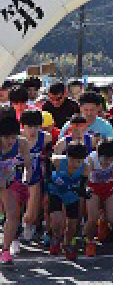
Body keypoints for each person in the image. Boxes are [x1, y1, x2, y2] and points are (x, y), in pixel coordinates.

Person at [46, 141, 89, 261]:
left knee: (72, 225)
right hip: (56, 192)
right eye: (73, 160)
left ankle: (67, 244)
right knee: (57, 221)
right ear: (67, 157)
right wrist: (49, 178)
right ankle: (55, 238)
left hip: (71, 195)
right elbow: (47, 159)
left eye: (79, 161)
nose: (76, 164)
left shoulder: (85, 167)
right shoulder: (58, 161)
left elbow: (82, 186)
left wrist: (84, 191)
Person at [0, 110, 31, 264]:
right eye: (6, 137)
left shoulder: (22, 143)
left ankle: (5, 250)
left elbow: (28, 166)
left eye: (13, 137)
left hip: (8, 180)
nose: (10, 141)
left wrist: (26, 182)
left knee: (13, 214)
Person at [18, 110, 52, 242]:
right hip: (16, 175)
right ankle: (14, 232)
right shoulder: (16, 138)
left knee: (31, 215)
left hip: (34, 175)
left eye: (36, 127)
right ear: (23, 126)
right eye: (29, 127)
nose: (32, 131)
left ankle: (27, 225)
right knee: (13, 210)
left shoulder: (45, 137)